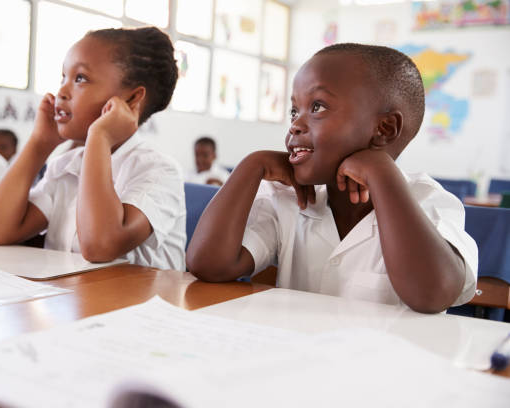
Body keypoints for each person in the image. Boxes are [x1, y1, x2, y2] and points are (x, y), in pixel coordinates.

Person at [186, 43, 478, 313]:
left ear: (385, 129)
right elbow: (208, 264)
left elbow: (433, 294)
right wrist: (251, 166)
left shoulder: (430, 201)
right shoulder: (287, 197)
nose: (296, 125)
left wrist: (382, 173)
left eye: (317, 107)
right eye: (293, 111)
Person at [0, 27, 186, 271]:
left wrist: (100, 135)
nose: (62, 92)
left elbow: (100, 246)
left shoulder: (158, 171)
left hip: (140, 307)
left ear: (131, 99)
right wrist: (39, 144)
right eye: (63, 77)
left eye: (80, 79)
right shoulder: (66, 166)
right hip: (74, 303)